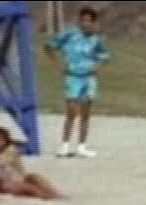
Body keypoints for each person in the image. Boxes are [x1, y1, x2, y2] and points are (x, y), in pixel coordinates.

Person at [45, 6, 111, 159]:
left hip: (88, 78)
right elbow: (49, 46)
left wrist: (97, 67)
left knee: (85, 113)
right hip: (73, 77)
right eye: (83, 20)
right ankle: (64, 145)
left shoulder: (96, 39)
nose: (85, 23)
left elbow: (105, 55)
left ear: (94, 22)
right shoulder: (69, 34)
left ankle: (82, 146)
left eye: (89, 21)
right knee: (71, 111)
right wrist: (58, 65)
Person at [0, 127, 65, 200]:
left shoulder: (10, 149)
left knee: (35, 176)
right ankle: (44, 195)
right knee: (30, 187)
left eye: (2, 140)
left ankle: (54, 192)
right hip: (5, 183)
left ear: (6, 141)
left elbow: (9, 159)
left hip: (20, 178)